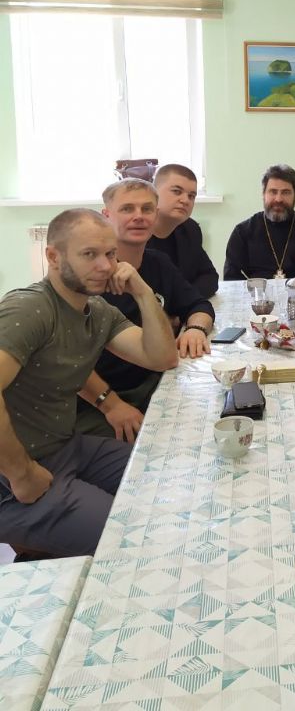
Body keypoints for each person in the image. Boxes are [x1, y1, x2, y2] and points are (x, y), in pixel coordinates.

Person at [0, 208, 177, 557]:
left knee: (164, 474)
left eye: (110, 254)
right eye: (89, 254)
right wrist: (21, 474)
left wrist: (143, 292)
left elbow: (161, 357)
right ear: (53, 256)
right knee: (129, 539)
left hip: (65, 447)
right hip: (11, 477)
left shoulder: (97, 312)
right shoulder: (30, 309)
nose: (105, 266)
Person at [75, 180, 215, 441]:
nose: (139, 216)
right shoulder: (90, 276)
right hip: (99, 400)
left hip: (154, 381)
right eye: (127, 209)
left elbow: (198, 305)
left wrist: (195, 328)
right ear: (106, 216)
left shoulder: (158, 263)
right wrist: (111, 405)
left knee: (212, 417)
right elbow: (68, 359)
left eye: (147, 209)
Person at [224, 164, 295, 280]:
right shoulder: (242, 233)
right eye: (273, 192)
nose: (278, 199)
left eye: (286, 192)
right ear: (263, 194)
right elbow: (231, 281)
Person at [147, 163, 219, 297]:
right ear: (153, 193)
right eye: (177, 191)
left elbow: (210, 278)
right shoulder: (137, 232)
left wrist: (183, 300)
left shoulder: (190, 229)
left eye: (191, 196)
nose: (186, 200)